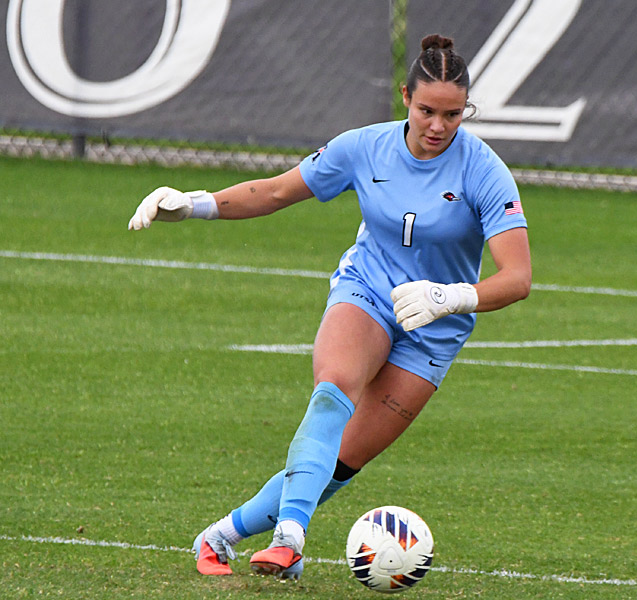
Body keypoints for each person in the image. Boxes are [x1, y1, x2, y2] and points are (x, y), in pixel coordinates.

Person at [128, 33, 531, 579]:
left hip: (435, 326)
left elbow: (518, 277)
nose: (439, 126)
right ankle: (290, 539)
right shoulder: (363, 147)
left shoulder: (483, 169)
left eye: (454, 114)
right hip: (367, 289)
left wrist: (451, 297)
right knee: (333, 387)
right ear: (404, 97)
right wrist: (194, 206)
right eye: (427, 110)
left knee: (342, 463)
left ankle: (219, 535)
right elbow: (274, 192)